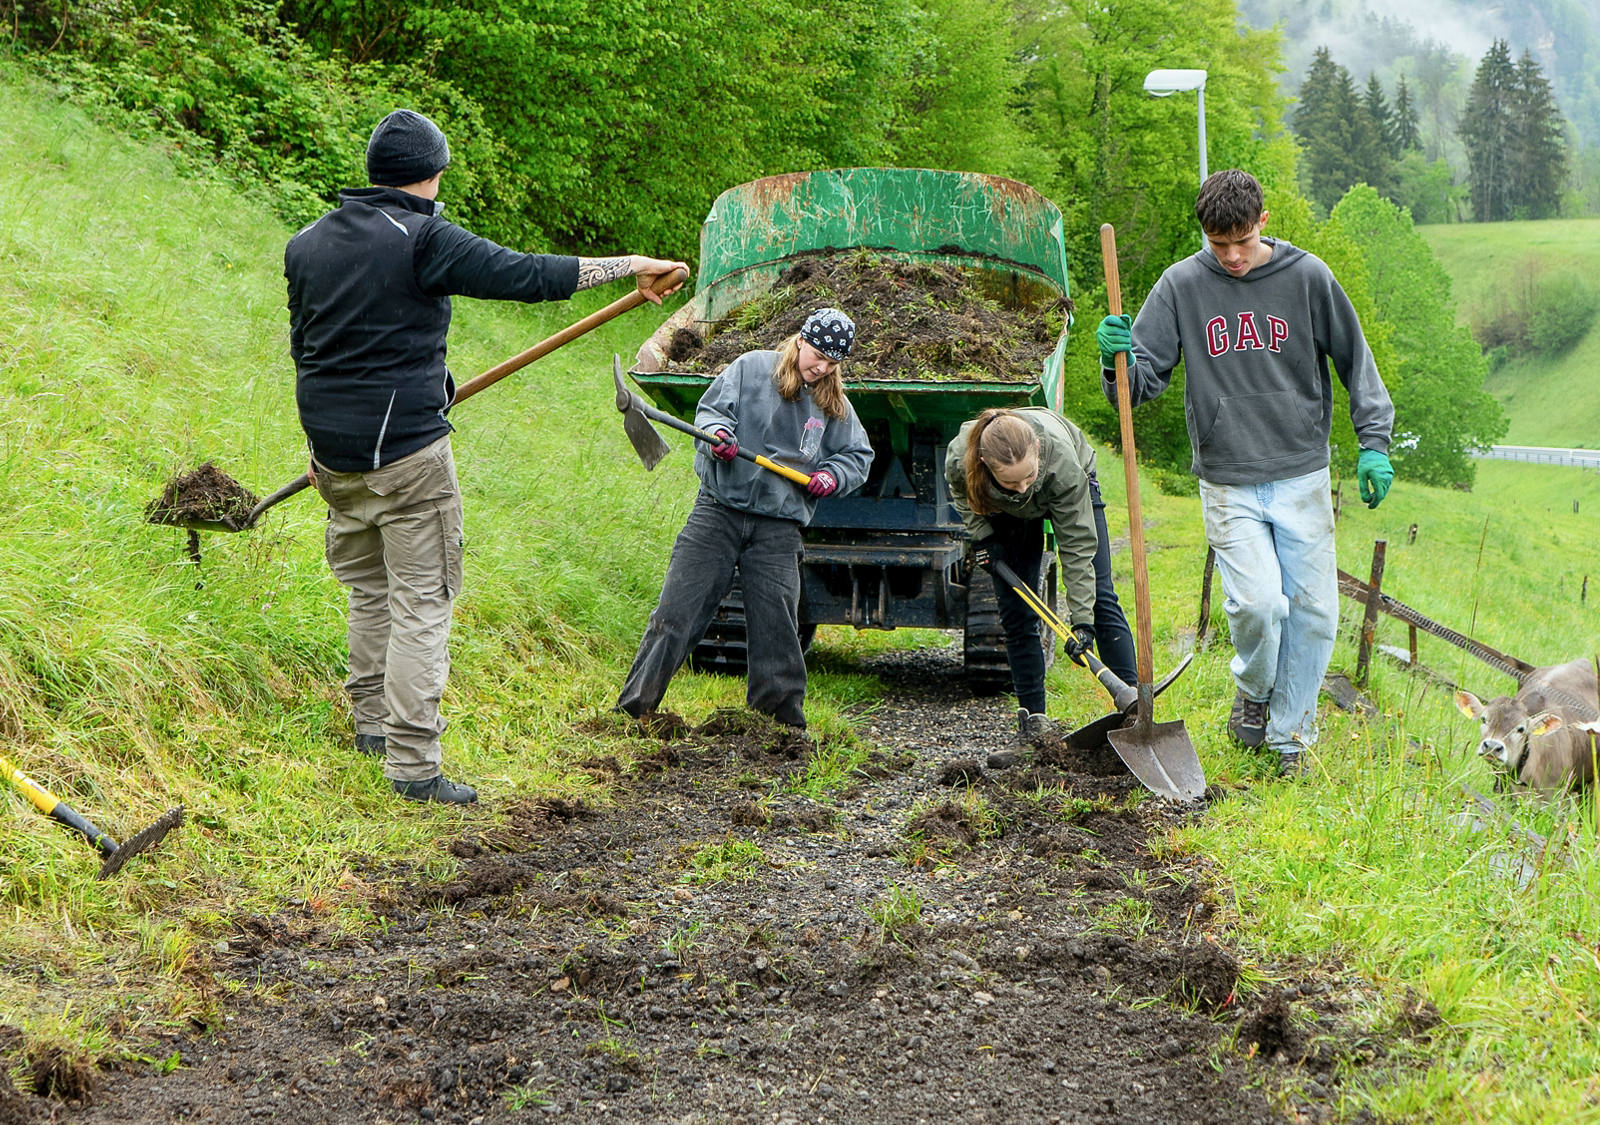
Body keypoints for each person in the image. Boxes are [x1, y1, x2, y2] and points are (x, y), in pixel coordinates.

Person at [286, 108, 688, 804]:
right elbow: (523, 274)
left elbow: (309, 350)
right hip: (408, 459)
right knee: (421, 602)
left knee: (370, 591)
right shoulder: (422, 238)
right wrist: (629, 266)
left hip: (333, 458)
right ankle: (413, 767)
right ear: (433, 173)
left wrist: (322, 448)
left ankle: (371, 727)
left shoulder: (306, 244)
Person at [1095, 168, 1394, 778]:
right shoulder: (1181, 285)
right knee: (1258, 606)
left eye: (1241, 241)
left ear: (1263, 222)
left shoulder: (1308, 277)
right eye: (1217, 244)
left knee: (1314, 613)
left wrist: (1374, 442)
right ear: (1204, 234)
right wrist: (1115, 359)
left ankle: (1291, 738)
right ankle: (1254, 690)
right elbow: (1140, 384)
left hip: (1301, 471)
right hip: (1227, 477)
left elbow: (1355, 359)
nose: (1231, 256)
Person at [617, 308, 874, 730]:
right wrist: (718, 436)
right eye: (818, 356)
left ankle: (780, 727)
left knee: (778, 628)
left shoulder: (833, 404)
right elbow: (711, 413)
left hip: (779, 527)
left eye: (832, 363)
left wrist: (833, 475)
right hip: (718, 512)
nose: (822, 368)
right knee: (675, 613)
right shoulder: (751, 368)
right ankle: (634, 710)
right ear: (801, 340)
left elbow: (857, 456)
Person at [944, 407, 1138, 768]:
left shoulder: (1062, 466)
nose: (1022, 487)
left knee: (1100, 596)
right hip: (1005, 511)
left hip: (1066, 485)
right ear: (984, 463)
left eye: (1027, 477)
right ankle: (1033, 729)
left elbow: (1077, 548)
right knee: (1016, 610)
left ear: (1036, 447)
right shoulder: (962, 456)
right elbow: (959, 491)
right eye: (1011, 482)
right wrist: (984, 537)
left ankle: (1135, 715)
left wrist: (1081, 623)